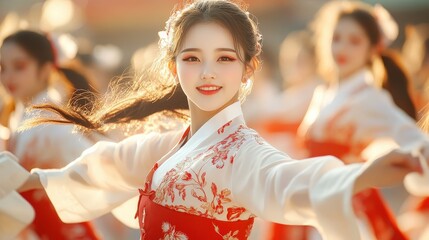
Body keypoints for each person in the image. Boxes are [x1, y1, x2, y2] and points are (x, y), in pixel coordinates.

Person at [7, 1, 426, 240]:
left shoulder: (243, 154)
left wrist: (361, 175)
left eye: (225, 59)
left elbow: (290, 180)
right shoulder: (171, 143)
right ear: (174, 67)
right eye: (192, 58)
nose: (208, 72)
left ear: (248, 68)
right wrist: (22, 179)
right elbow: (104, 164)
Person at [298, 1, 427, 239]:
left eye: (355, 41)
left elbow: (417, 140)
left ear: (371, 49)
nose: (342, 48)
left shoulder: (369, 97)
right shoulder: (323, 93)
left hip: (348, 207)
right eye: (336, 38)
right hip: (317, 201)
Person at [0, 30, 100, 239]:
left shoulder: (52, 123)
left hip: (61, 230)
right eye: (2, 68)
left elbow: (95, 169)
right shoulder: (20, 117)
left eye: (19, 67)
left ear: (45, 69)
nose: (7, 77)